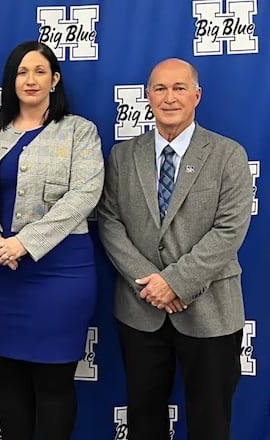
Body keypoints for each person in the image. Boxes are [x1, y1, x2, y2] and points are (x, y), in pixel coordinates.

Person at [98, 58, 253, 440]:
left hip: (212, 311)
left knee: (211, 423)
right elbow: (110, 222)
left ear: (196, 96)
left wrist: (176, 283)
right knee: (144, 420)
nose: (169, 97)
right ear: (148, 96)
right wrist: (150, 284)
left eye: (179, 88)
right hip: (141, 310)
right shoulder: (122, 156)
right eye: (160, 89)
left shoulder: (228, 154)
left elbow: (230, 230)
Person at [0, 41, 104, 439]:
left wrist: (24, 243)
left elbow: (85, 194)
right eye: (22, 72)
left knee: (53, 383)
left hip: (60, 274)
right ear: (11, 81)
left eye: (40, 71)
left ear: (54, 79)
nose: (30, 80)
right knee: (7, 381)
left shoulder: (79, 130)